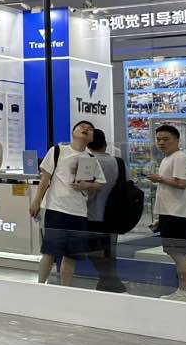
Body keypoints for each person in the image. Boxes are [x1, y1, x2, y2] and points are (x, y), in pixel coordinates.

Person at [30, 120, 105, 286]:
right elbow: (45, 179)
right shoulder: (57, 151)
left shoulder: (91, 159)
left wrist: (87, 185)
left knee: (71, 255)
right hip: (56, 210)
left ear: (92, 137)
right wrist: (36, 201)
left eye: (90, 129)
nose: (86, 129)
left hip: (79, 213)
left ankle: (66, 289)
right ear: (73, 132)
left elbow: (100, 183)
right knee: (49, 252)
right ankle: (40, 286)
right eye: (82, 127)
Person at [148, 124, 186, 302]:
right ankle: (182, 290)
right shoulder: (168, 158)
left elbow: (181, 183)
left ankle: (184, 291)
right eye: (159, 139)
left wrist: (158, 178)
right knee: (175, 252)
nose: (161, 143)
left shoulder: (179, 157)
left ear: (177, 140)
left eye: (166, 139)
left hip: (177, 214)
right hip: (169, 213)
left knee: (178, 253)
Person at [87, 129, 127, 294]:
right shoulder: (118, 162)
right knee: (110, 251)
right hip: (114, 214)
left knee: (95, 251)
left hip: (92, 214)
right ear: (105, 144)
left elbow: (86, 191)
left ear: (88, 144)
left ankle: (112, 283)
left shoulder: (88, 162)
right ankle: (107, 283)